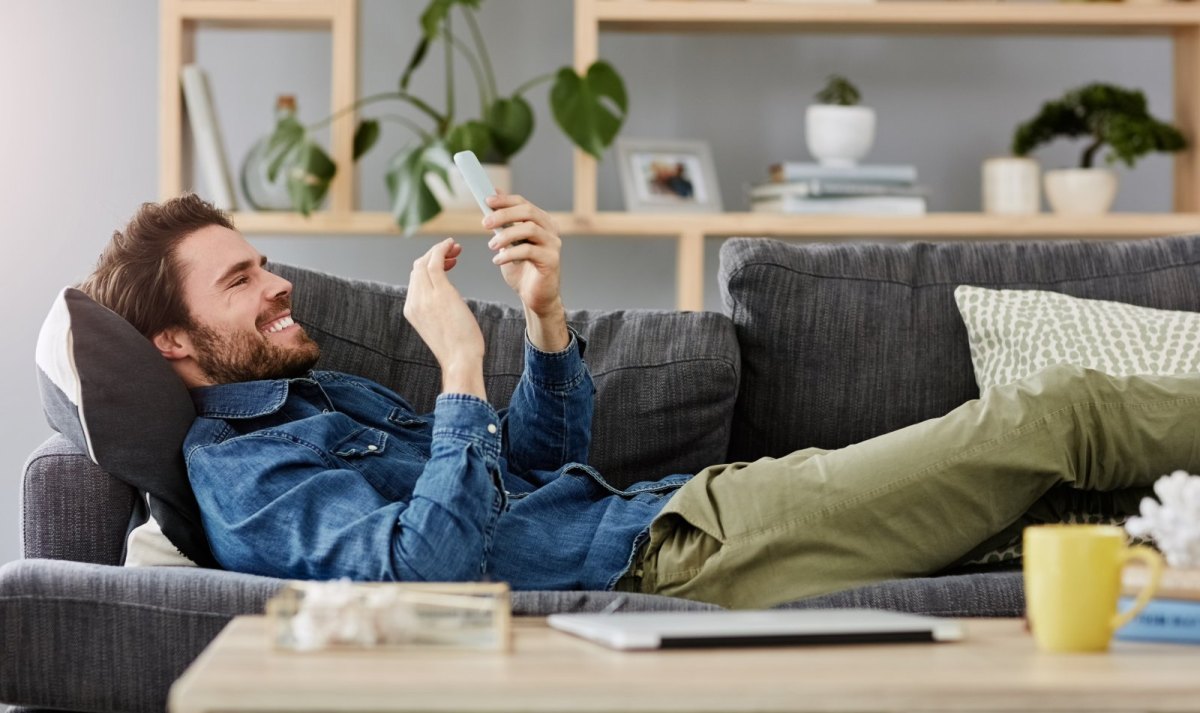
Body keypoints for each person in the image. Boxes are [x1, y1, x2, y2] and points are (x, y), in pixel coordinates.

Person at [80, 193, 1195, 609]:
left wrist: (547, 321)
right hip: (682, 549)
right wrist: (460, 368)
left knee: (1041, 467)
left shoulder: (316, 398)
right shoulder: (243, 474)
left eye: (262, 258)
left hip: (686, 510)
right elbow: (427, 572)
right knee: (1051, 414)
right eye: (240, 279)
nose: (278, 280)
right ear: (174, 342)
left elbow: (524, 471)